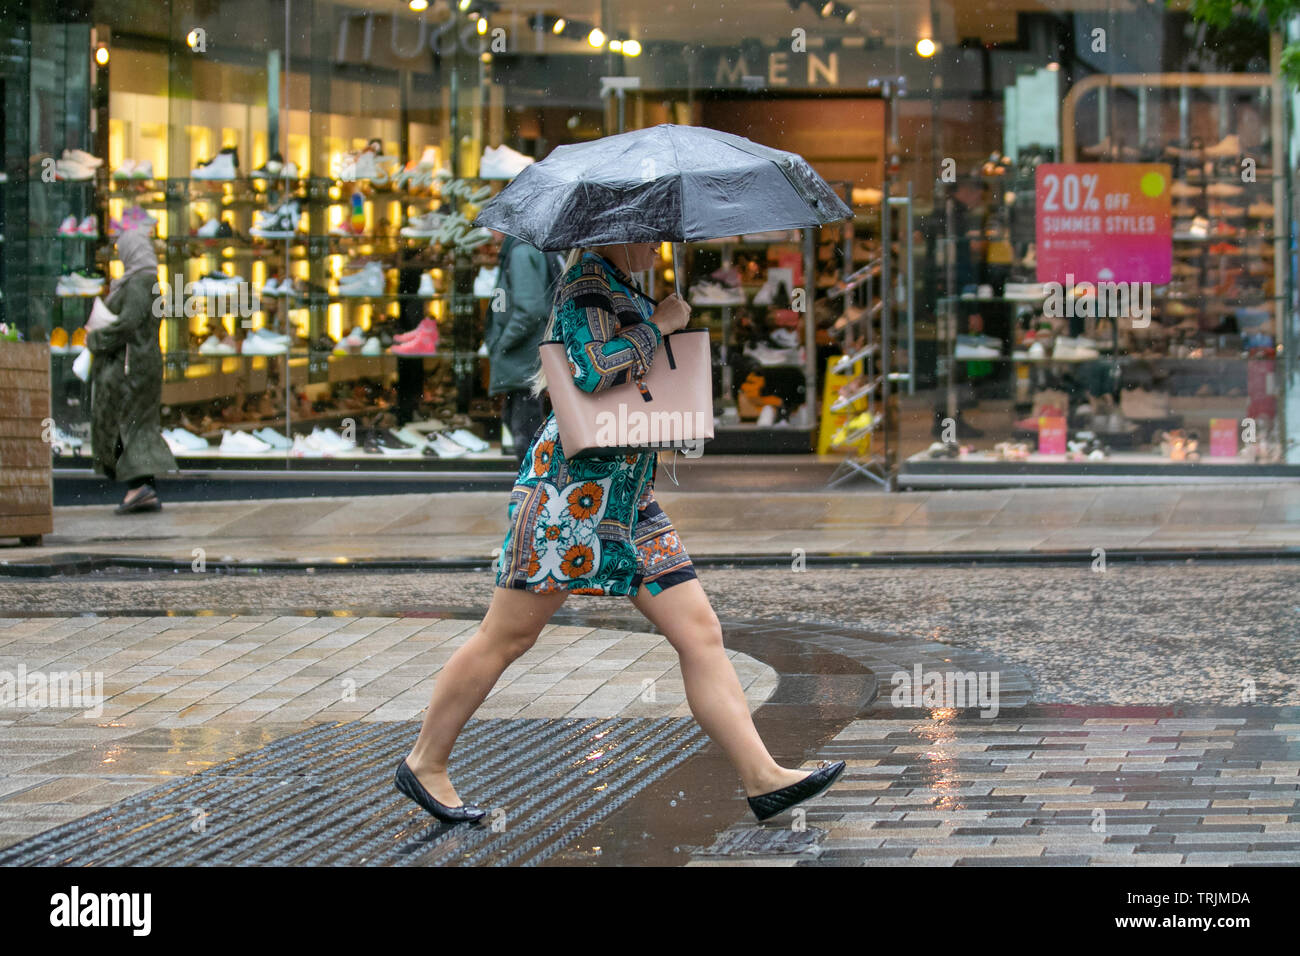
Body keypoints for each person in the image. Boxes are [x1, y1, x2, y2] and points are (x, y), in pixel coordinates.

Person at [396, 243, 845, 824]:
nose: (654, 242)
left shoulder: (619, 282)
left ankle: (763, 777)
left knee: (701, 633)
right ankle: (426, 761)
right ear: (613, 231)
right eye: (644, 231)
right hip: (568, 498)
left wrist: (660, 318)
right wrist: (659, 323)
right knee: (506, 636)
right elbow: (592, 369)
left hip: (629, 501)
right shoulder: (587, 282)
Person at [86, 228, 177, 513]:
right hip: (141, 364)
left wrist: (94, 338)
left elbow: (127, 325)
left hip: (130, 368)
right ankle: (142, 488)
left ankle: (139, 488)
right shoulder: (148, 281)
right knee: (137, 426)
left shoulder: (138, 284)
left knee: (126, 425)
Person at [483, 231, 563, 466]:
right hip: (526, 357)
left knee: (524, 432)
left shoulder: (521, 252)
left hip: (523, 358)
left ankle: (530, 496)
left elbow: (530, 311)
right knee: (523, 426)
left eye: (492, 228)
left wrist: (502, 342)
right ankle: (533, 493)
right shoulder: (522, 249)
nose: (489, 232)